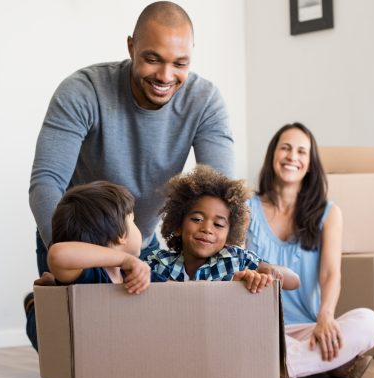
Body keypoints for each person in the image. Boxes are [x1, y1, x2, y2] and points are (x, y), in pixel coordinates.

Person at [29, 1, 234, 277]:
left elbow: (223, 196)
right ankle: (36, 310)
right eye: (153, 59)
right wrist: (68, 256)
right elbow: (46, 182)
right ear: (131, 47)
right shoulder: (83, 91)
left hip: (140, 243)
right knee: (58, 320)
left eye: (180, 63)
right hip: (75, 246)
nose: (165, 75)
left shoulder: (205, 102)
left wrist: (234, 266)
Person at [247, 122, 374, 378]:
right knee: (246, 338)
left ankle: (284, 365)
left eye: (301, 152)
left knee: (369, 321)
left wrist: (326, 316)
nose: (292, 157)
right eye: (285, 148)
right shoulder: (246, 207)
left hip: (307, 329)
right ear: (272, 155)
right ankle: (328, 363)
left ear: (310, 164)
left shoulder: (328, 214)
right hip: (257, 327)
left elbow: (331, 274)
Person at [26, 181, 166, 351]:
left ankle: (53, 284)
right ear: (121, 235)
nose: (139, 229)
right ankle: (34, 305)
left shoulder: (134, 275)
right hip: (81, 355)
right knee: (46, 337)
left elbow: (172, 293)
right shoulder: (89, 276)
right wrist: (124, 259)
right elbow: (57, 254)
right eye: (133, 221)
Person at [145, 165, 300, 292]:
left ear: (229, 235)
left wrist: (269, 271)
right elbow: (127, 277)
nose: (207, 229)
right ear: (178, 225)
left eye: (218, 224)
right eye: (197, 219)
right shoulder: (160, 262)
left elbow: (294, 281)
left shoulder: (237, 260)